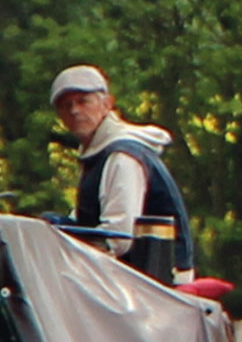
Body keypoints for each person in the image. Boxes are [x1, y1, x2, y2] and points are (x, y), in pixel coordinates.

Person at [49, 65, 195, 279]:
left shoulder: (123, 156)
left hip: (157, 284)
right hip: (133, 278)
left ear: (107, 104)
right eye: (66, 105)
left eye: (83, 101)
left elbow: (118, 237)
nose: (74, 111)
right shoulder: (98, 154)